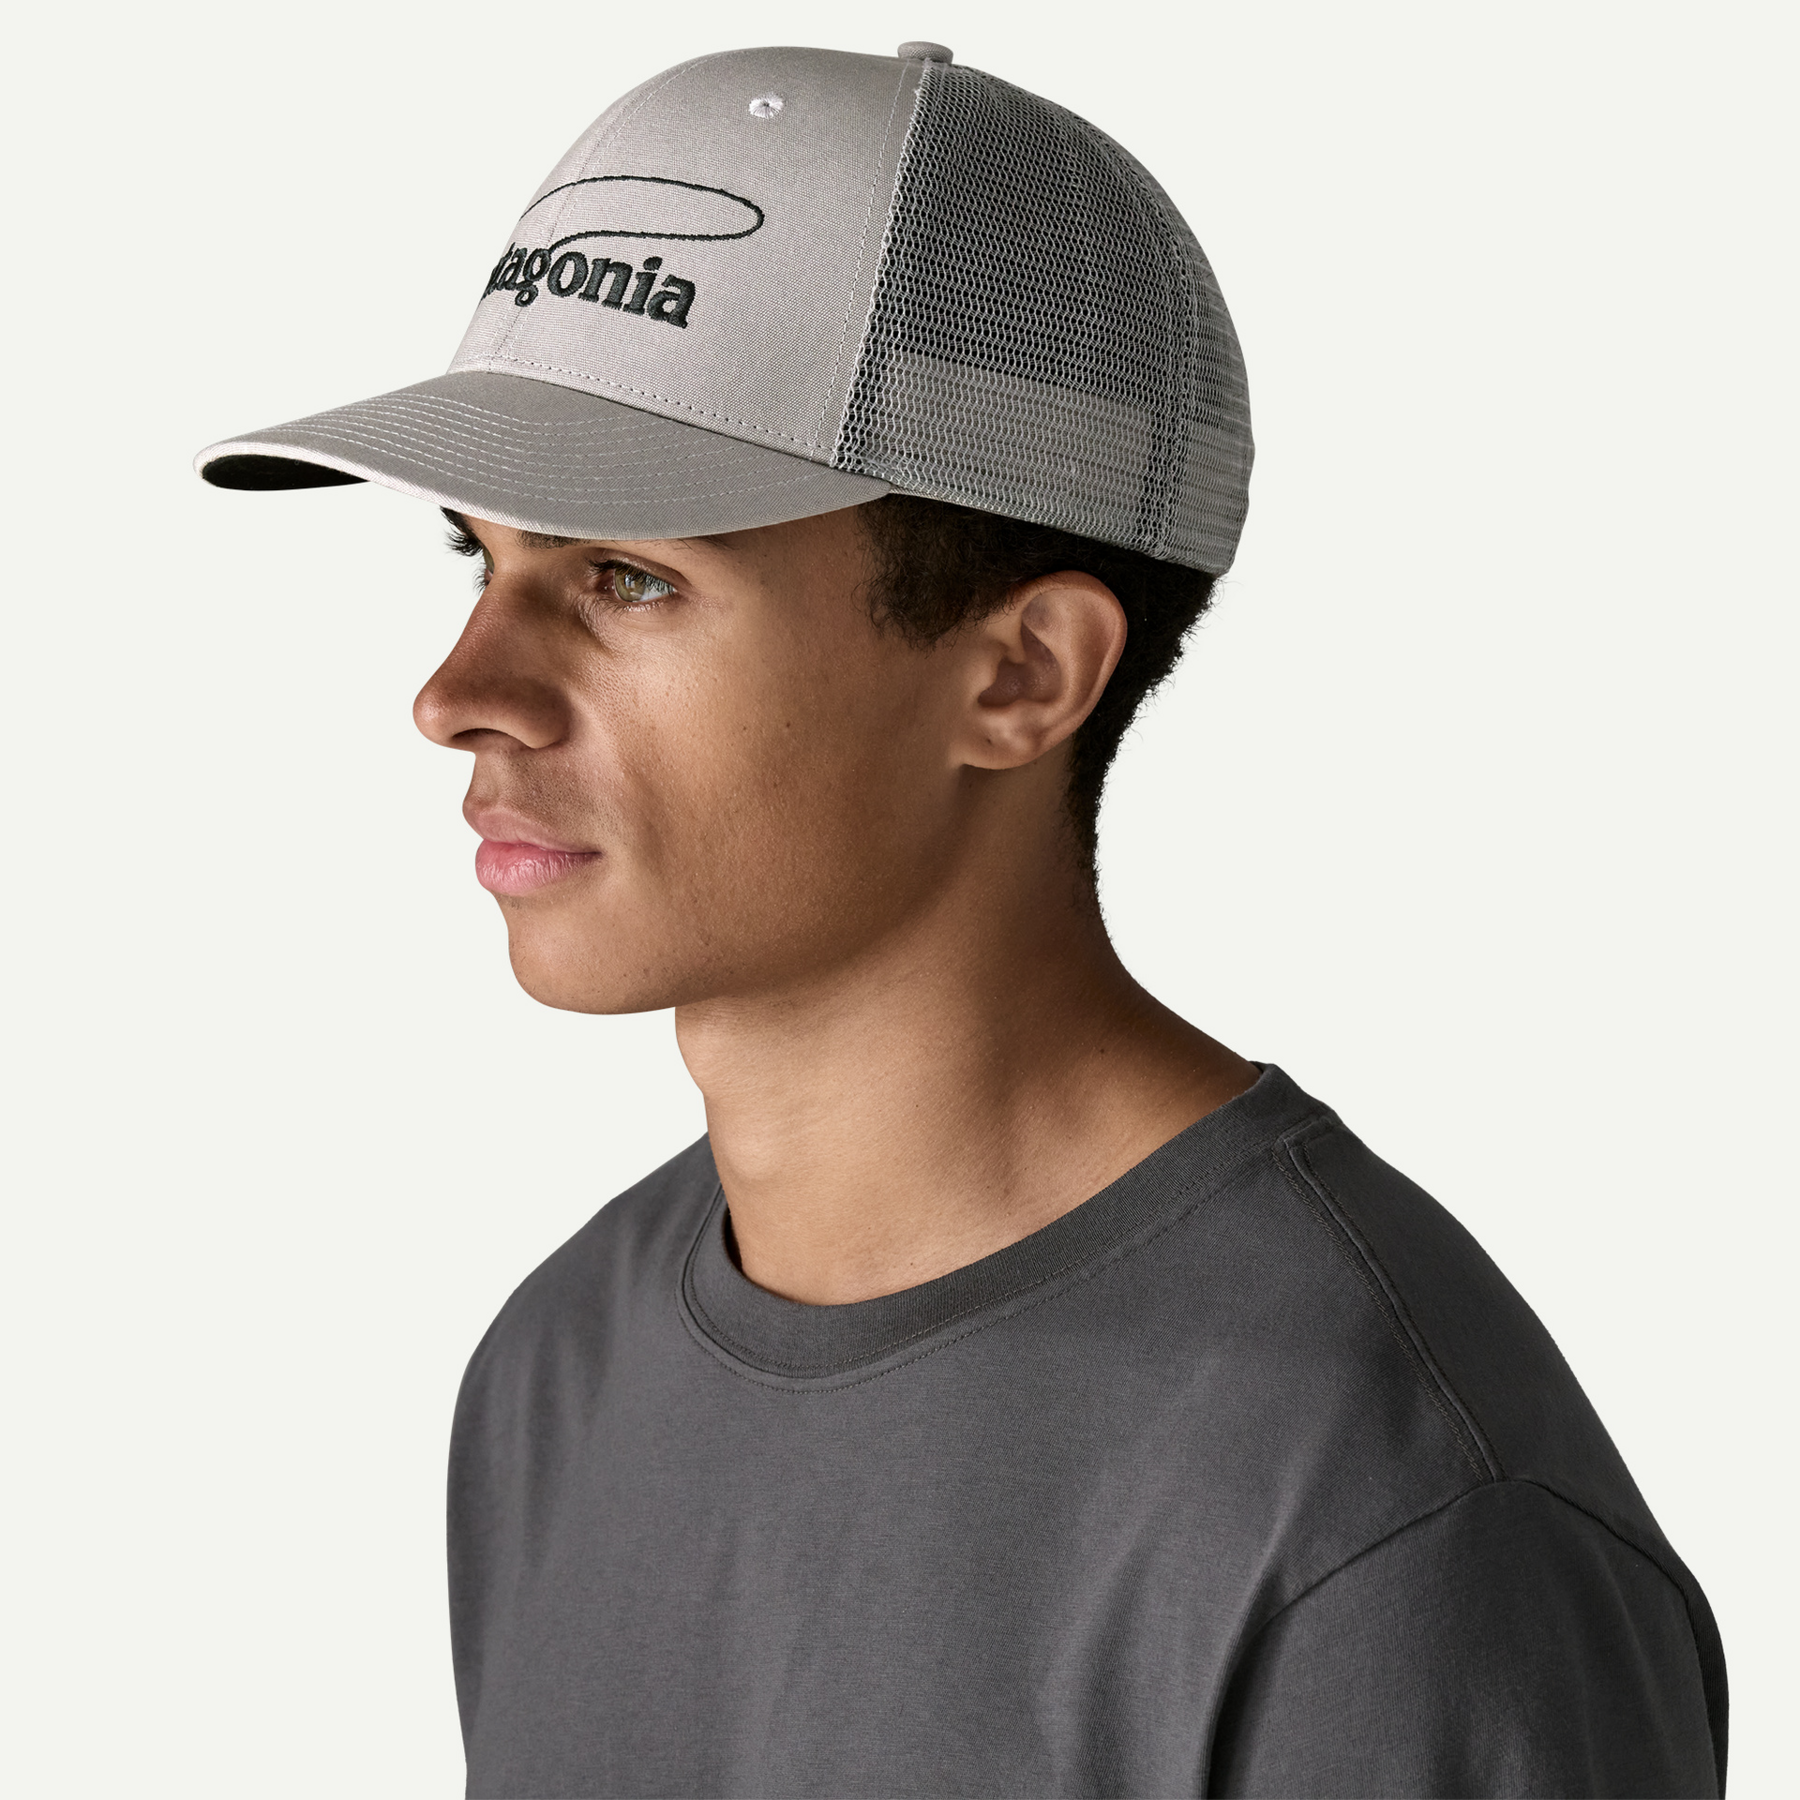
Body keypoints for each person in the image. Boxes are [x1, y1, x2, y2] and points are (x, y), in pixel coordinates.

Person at [195, 40, 1725, 1800]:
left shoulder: (1388, 1520)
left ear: (1020, 675)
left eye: (627, 577)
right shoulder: (560, 1372)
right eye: (483, 559)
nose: (459, 693)